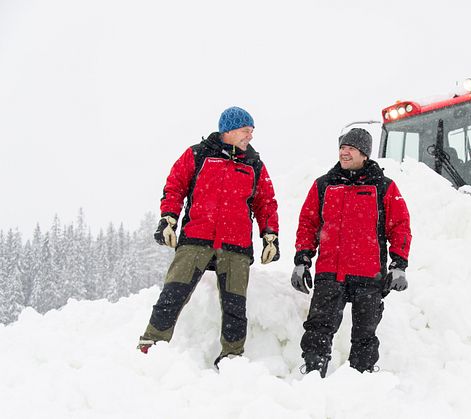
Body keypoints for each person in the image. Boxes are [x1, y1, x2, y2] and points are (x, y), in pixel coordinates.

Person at [137, 106, 280, 367]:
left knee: (235, 306)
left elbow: (266, 203)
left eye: (252, 131)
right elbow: (175, 186)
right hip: (196, 238)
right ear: (229, 130)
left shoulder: (254, 164)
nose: (250, 136)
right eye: (246, 131)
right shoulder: (198, 154)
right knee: (173, 294)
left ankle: (232, 357)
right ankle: (151, 345)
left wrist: (270, 235)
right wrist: (168, 218)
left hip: (236, 245)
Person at [291, 128, 412, 377]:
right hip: (330, 273)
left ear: (364, 154)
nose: (344, 152)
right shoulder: (324, 185)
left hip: (369, 276)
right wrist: (302, 260)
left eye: (351, 148)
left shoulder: (383, 187)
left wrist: (398, 264)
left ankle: (361, 382)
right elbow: (308, 224)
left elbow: (400, 227)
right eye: (342, 148)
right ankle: (314, 374)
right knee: (317, 330)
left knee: (365, 335)